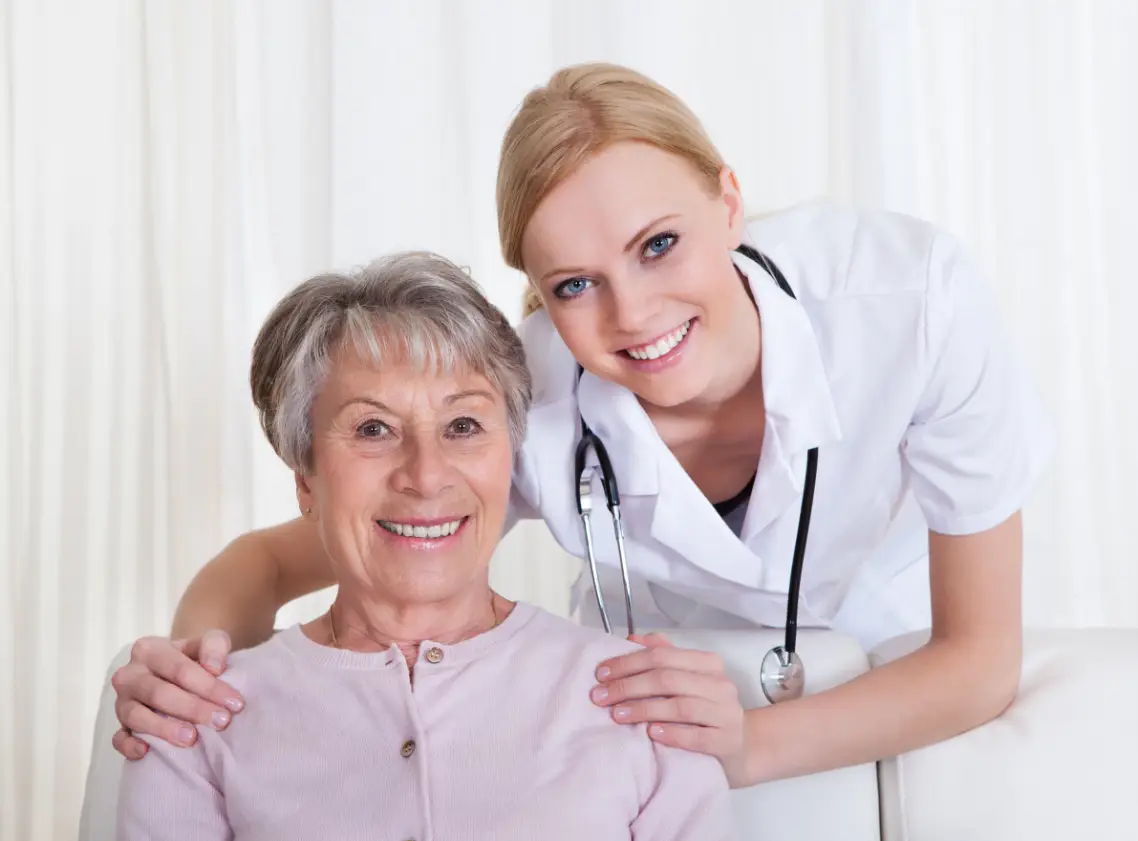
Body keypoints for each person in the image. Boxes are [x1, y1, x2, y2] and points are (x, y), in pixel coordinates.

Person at [109, 62, 1052, 789]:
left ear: (728, 201)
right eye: (573, 285)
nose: (633, 314)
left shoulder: (912, 304)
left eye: (659, 245)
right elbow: (266, 564)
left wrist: (749, 743)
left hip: (894, 663)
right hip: (650, 700)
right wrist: (197, 680)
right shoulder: (518, 399)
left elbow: (979, 658)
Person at [115, 252, 737, 841]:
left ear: (510, 457)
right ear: (306, 480)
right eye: (373, 429)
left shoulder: (642, 704)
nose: (427, 474)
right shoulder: (191, 720)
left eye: (463, 425)